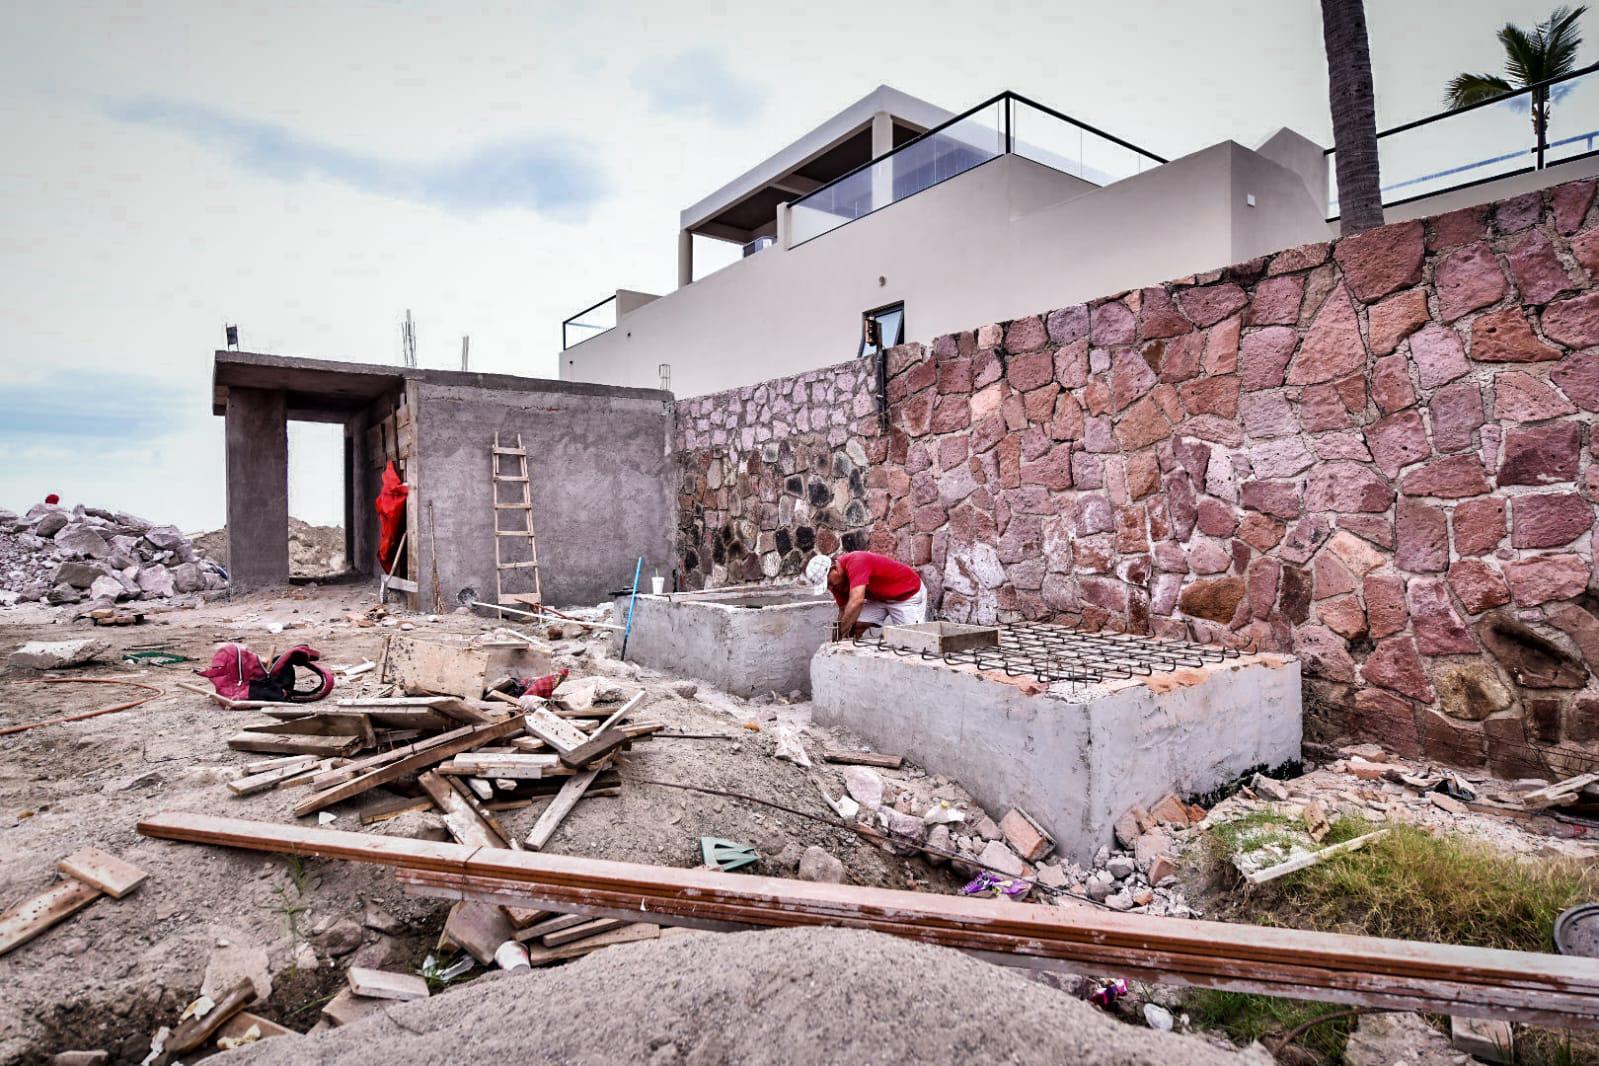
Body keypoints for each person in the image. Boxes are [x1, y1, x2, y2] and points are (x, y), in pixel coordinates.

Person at [805, 550, 926, 638]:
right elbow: (843, 610)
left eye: (828, 583)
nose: (830, 588)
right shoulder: (836, 583)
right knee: (854, 625)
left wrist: (840, 635)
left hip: (907, 595)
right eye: (826, 586)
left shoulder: (857, 561)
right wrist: (835, 638)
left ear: (834, 568)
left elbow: (856, 601)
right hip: (879, 598)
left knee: (913, 642)